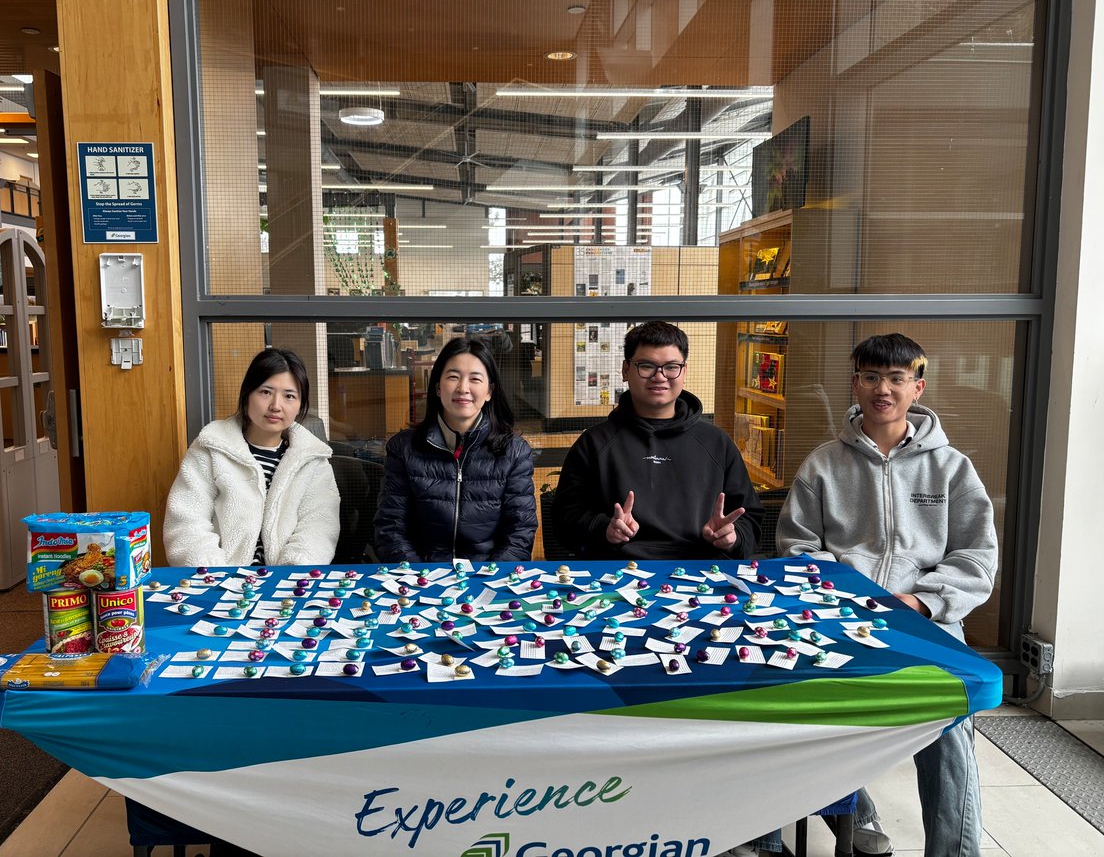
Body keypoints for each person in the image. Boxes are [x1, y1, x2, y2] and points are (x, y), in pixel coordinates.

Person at [776, 333, 998, 857]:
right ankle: (861, 817)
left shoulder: (952, 468)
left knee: (948, 736)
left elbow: (977, 557)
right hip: (841, 618)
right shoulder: (823, 464)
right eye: (871, 377)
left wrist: (922, 601)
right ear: (855, 384)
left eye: (896, 379)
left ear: (917, 388)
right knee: (814, 718)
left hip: (927, 621)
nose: (883, 389)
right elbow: (798, 546)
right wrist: (848, 596)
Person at [553, 320, 763, 560]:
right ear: (625, 370)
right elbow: (563, 521)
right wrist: (604, 528)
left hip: (702, 572)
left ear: (684, 371)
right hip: (616, 573)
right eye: (646, 366)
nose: (659, 377)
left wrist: (732, 537)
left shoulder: (716, 443)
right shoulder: (594, 443)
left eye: (671, 367)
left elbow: (750, 518)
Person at [164, 347, 339, 567]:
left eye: (289, 396)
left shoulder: (313, 460)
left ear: (300, 406)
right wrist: (216, 577)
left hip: (287, 585)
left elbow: (318, 528)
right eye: (265, 392)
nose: (276, 405)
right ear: (247, 395)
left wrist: (289, 576)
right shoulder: (210, 449)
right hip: (219, 583)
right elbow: (186, 523)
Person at [374, 336, 536, 562]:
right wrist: (422, 580)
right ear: (438, 387)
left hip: (488, 580)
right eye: (453, 377)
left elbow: (519, 534)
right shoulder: (404, 448)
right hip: (420, 581)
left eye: (475, 379)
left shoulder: (514, 452)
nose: (463, 388)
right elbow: (390, 529)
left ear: (489, 391)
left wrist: (488, 581)